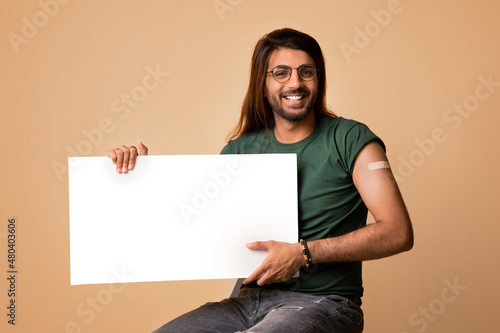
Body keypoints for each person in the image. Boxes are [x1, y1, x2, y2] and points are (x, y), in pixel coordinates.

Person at [107, 28, 414, 333]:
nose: (296, 82)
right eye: (281, 72)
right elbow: (193, 225)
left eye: (306, 72)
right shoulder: (240, 151)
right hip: (245, 302)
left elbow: (398, 231)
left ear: (318, 79)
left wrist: (303, 252)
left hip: (323, 302)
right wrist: (143, 181)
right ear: (263, 83)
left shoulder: (350, 139)